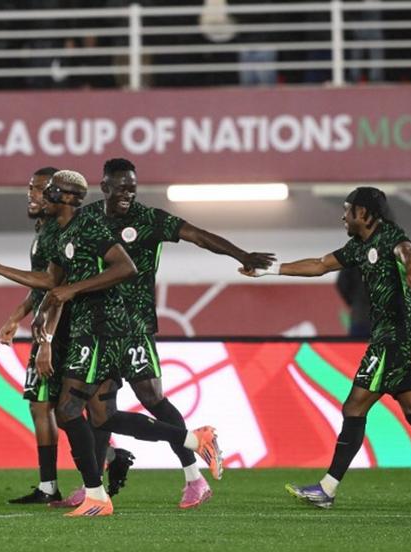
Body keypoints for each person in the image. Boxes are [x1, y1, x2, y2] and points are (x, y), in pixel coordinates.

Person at [0, 170, 223, 518]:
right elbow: (49, 282)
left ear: (66, 197)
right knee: (101, 416)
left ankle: (98, 493)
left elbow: (125, 268)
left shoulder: (89, 226)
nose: (41, 196)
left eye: (48, 191)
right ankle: (191, 442)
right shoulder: (55, 233)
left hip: (104, 326)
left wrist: (71, 293)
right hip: (87, 327)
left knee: (70, 410)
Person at [241, 187, 411, 510]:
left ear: (365, 213)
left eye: (347, 210)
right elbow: (320, 265)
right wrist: (271, 270)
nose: (342, 216)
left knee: (355, 406)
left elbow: (405, 249)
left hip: (394, 339)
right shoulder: (359, 247)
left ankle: (327, 489)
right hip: (402, 339)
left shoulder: (389, 236)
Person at [77, 157, 274, 509]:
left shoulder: (149, 219)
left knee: (152, 399)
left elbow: (197, 235)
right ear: (105, 186)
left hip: (135, 327)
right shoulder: (88, 218)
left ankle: (194, 478)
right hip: (98, 327)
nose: (128, 194)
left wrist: (240, 254)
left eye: (132, 188)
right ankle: (94, 488)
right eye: (121, 187)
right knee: (98, 408)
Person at [0, 167, 134, 505]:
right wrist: (15, 318)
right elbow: (45, 285)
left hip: (63, 329)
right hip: (57, 324)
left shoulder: (62, 232)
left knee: (51, 406)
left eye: (40, 190)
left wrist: (44, 340)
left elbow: (54, 287)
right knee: (60, 407)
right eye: (32, 189)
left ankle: (60, 485)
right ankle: (103, 466)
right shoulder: (48, 233)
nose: (35, 196)